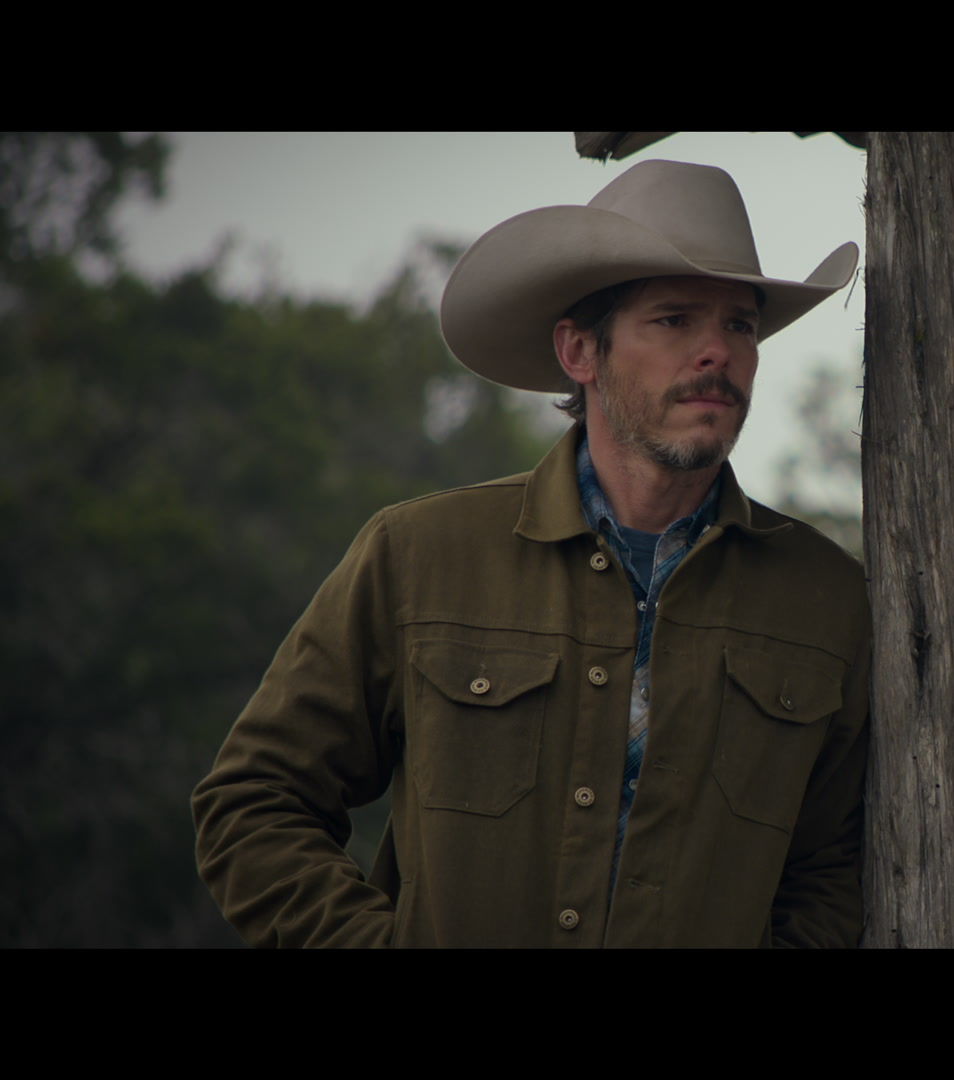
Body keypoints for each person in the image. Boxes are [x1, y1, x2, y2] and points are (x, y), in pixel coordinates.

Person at [191, 158, 871, 947]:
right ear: (580, 351)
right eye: (674, 319)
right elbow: (253, 802)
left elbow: (839, 865)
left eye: (740, 325)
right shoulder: (419, 557)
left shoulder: (827, 600)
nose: (716, 350)